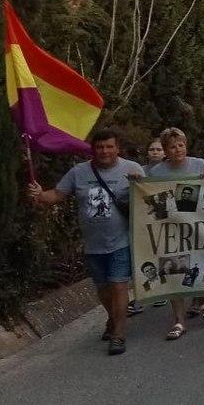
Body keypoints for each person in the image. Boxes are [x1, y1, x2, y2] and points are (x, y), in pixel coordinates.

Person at [28, 129, 143, 356]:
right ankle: (112, 318)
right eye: (100, 147)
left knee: (119, 285)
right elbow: (56, 196)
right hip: (92, 245)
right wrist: (40, 194)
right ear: (93, 149)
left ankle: (118, 334)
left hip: (121, 241)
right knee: (103, 289)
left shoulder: (132, 169)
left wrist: (140, 185)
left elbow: (152, 198)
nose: (105, 151)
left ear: (117, 148)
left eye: (109, 147)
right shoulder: (78, 173)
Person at [147, 127, 204, 339]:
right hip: (170, 228)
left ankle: (201, 298)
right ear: (165, 150)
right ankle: (179, 320)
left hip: (197, 225)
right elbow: (151, 199)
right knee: (172, 270)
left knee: (197, 264)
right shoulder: (157, 172)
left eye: (181, 145)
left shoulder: (200, 164)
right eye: (172, 146)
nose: (177, 150)